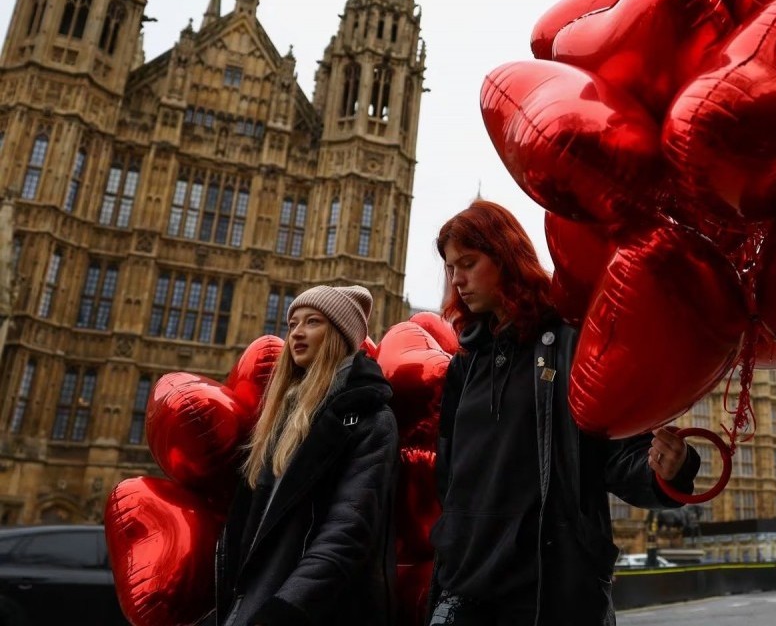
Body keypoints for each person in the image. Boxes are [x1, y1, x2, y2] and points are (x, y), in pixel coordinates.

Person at [427, 200, 701, 626]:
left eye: (468, 263)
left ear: (505, 256)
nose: (457, 280)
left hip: (545, 583)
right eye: (450, 268)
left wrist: (667, 470)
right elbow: (450, 473)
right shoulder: (466, 362)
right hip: (464, 583)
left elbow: (615, 456)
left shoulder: (568, 343)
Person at [209, 285, 398, 626]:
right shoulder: (281, 414)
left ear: (338, 335)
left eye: (312, 322)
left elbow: (346, 531)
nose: (296, 332)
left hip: (302, 611)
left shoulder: (369, 419)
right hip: (251, 604)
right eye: (292, 323)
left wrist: (284, 610)